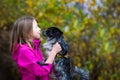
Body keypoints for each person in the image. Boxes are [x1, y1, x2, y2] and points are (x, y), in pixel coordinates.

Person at [10, 16, 62, 80]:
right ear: (27, 31)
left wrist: (50, 56)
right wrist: (53, 53)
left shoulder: (34, 48)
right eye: (36, 27)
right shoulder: (24, 51)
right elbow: (41, 71)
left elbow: (46, 70)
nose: (39, 29)